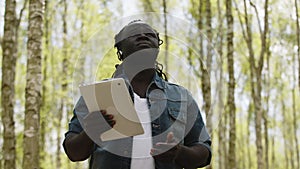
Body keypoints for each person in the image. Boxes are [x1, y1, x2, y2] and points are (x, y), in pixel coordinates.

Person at [63, 20, 212, 169]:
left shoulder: (182, 97)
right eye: (134, 34)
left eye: (149, 35)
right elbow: (73, 152)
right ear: (120, 50)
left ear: (157, 46)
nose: (143, 36)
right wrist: (90, 133)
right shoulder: (98, 94)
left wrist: (180, 153)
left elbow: (204, 152)